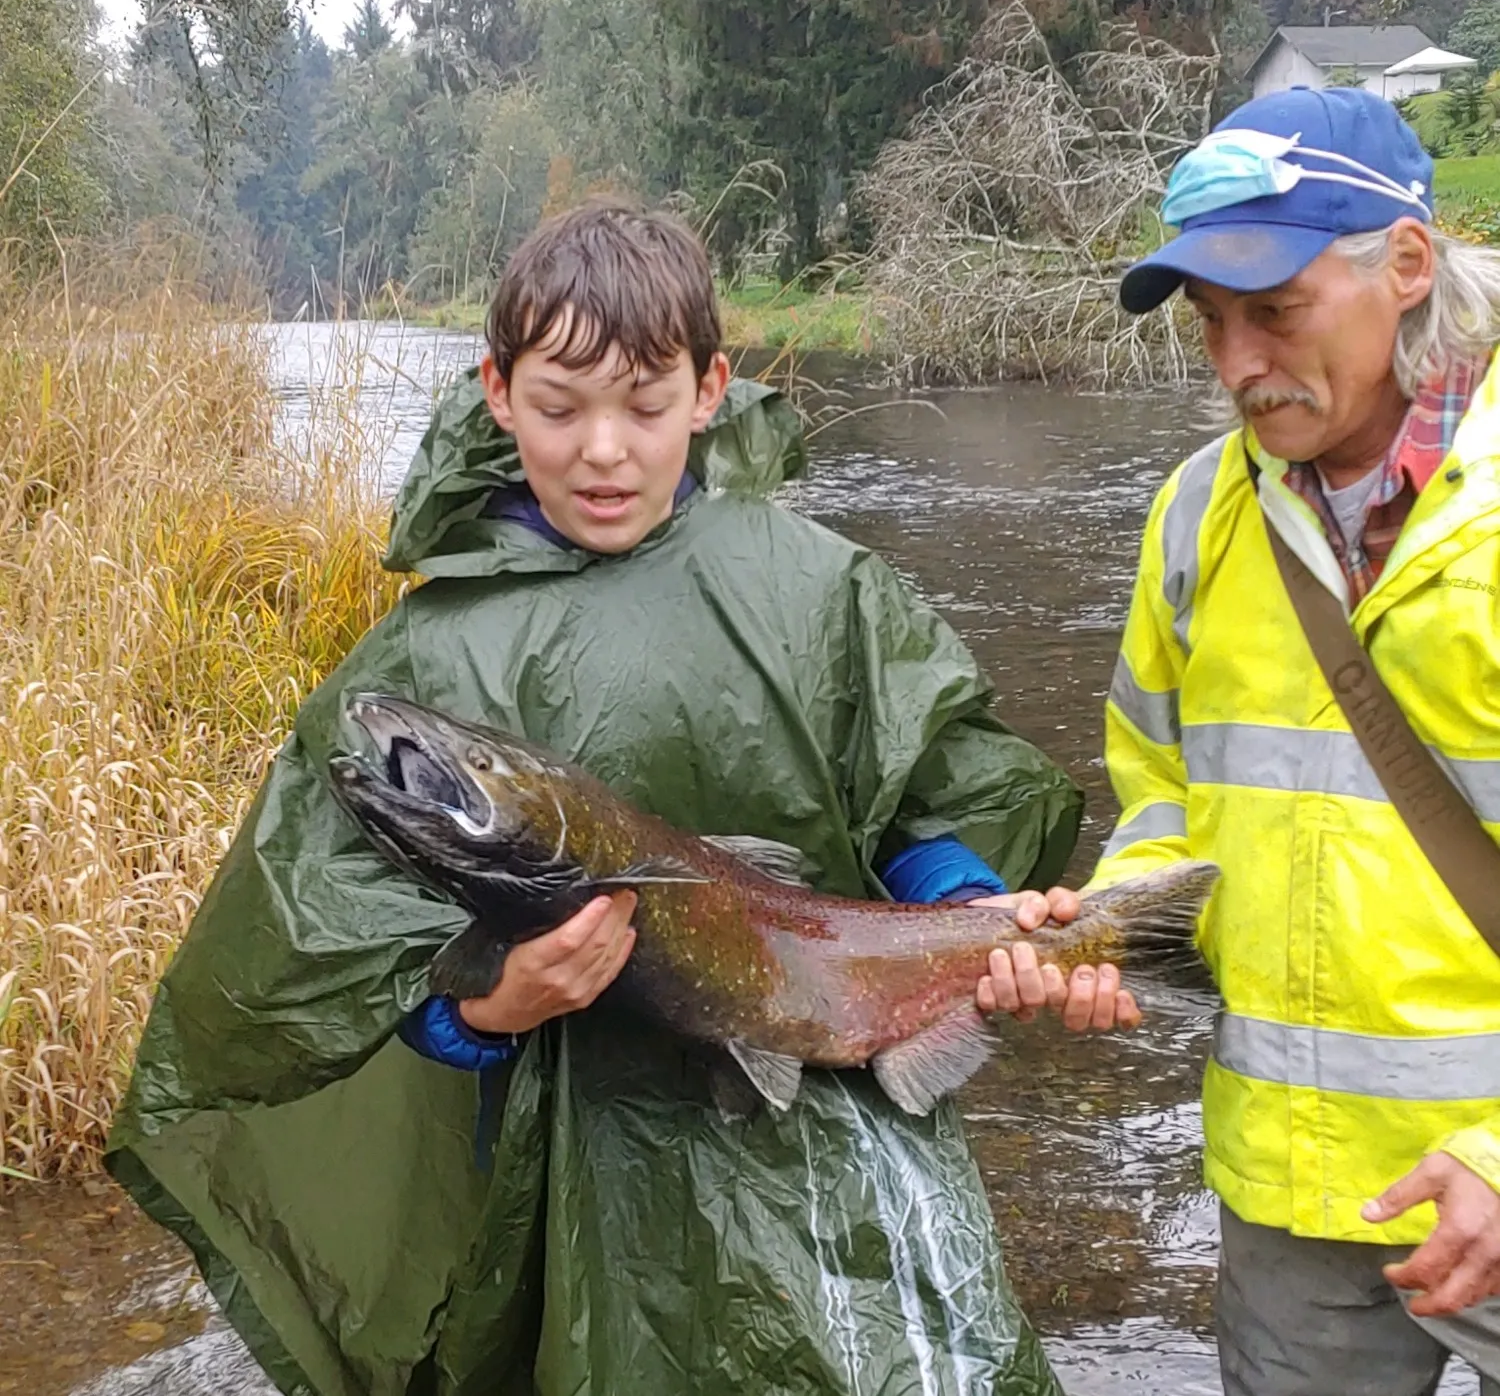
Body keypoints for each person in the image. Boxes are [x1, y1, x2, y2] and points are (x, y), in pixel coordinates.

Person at [107, 200, 1129, 1396]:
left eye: (645, 407)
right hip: (562, 1181)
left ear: (709, 390)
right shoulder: (423, 660)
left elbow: (922, 804)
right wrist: (486, 1011)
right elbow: (333, 960)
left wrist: (976, 926)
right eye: (559, 408)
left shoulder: (820, 590)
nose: (605, 449)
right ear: (495, 391)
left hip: (832, 1151)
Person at [1064, 84, 1500, 1394]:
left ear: (1406, 267)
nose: (1239, 364)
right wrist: (1114, 921)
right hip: (1292, 1202)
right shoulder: (1196, 519)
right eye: (1212, 323)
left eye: (1276, 310)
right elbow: (1161, 789)